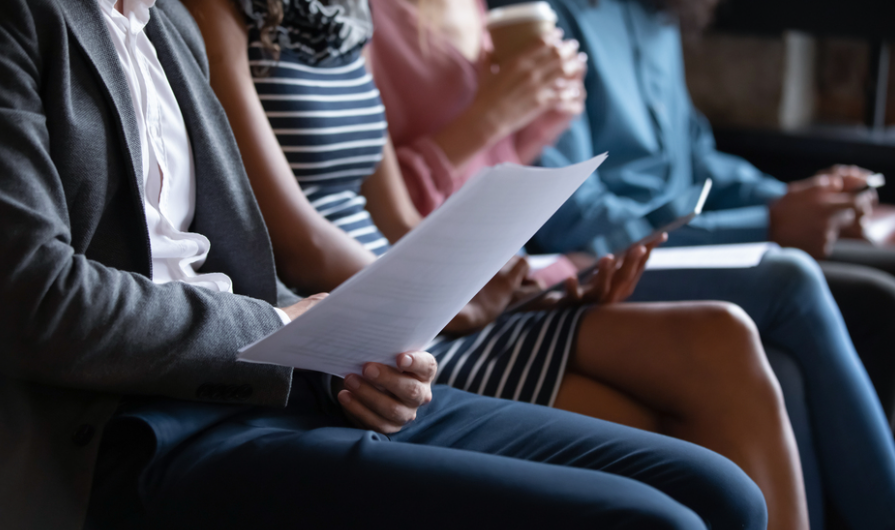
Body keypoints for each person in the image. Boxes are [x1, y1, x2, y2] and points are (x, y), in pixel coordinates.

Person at [0, 0, 774, 529]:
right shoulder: (31, 22)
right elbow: (38, 301)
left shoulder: (167, 24)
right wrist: (283, 330)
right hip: (138, 422)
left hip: (281, 372)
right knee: (656, 520)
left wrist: (358, 350)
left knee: (722, 492)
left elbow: (237, 259)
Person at [367, 0, 895, 528]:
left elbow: (696, 159)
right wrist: (768, 224)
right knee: (790, 285)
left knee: (874, 295)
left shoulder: (659, 17)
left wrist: (790, 199)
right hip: (562, 260)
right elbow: (570, 209)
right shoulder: (543, 17)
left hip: (528, 268)